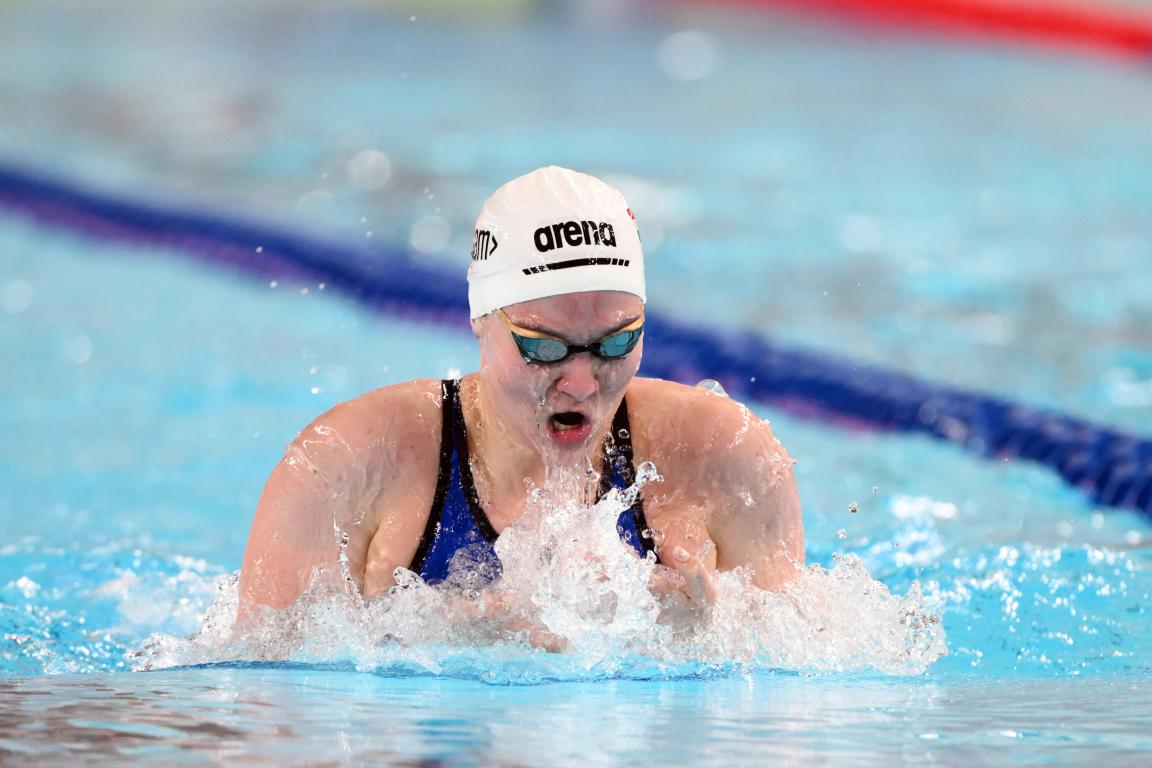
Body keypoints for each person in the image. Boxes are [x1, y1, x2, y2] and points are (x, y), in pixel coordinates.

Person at [238, 166, 804, 625]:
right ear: (479, 318)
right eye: (544, 347)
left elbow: (806, 684)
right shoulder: (347, 463)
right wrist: (459, 637)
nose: (582, 382)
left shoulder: (728, 456)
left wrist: (714, 634)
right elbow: (265, 703)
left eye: (617, 341)